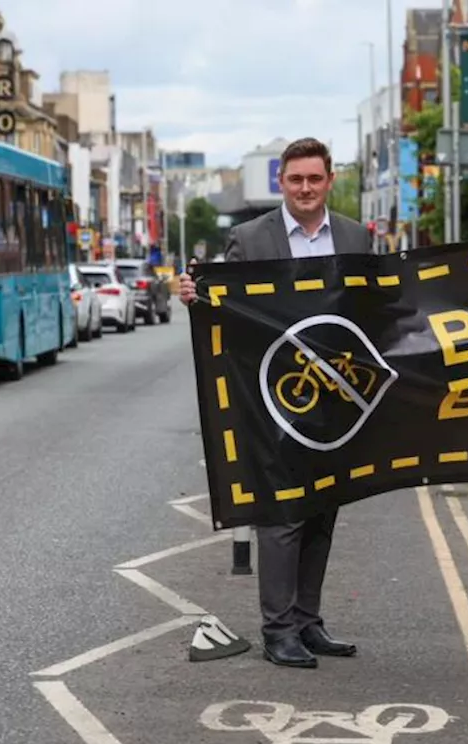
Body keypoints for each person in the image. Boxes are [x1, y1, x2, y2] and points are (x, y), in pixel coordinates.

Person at [178, 138, 370, 668]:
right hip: (272, 401)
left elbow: (378, 310)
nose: (305, 188)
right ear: (281, 183)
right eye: (295, 180)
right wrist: (197, 298)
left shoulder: (356, 235)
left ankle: (308, 622)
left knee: (322, 511)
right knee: (283, 513)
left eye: (314, 178)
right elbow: (226, 312)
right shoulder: (248, 238)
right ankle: (277, 629)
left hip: (335, 402)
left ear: (329, 180)